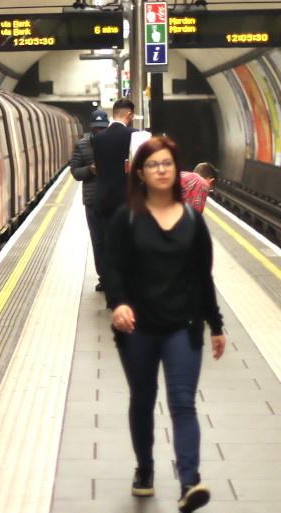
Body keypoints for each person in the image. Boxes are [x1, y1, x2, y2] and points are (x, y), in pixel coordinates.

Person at [103, 135, 226, 513]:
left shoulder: (192, 220)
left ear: (177, 171)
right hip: (137, 328)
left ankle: (189, 482)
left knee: (183, 403)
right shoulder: (127, 218)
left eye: (167, 164)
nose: (161, 170)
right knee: (143, 400)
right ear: (140, 173)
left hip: (183, 327)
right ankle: (145, 469)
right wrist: (118, 304)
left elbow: (203, 276)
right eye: (153, 164)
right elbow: (114, 269)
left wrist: (216, 325)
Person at [91, 98, 137, 292]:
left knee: (107, 241)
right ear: (129, 115)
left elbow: (100, 168)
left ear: (113, 114)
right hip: (128, 200)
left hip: (103, 199)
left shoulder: (98, 139)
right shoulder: (134, 135)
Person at [70, 108, 110, 291]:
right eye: (96, 129)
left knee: (113, 239)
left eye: (102, 128)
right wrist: (89, 170)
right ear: (91, 128)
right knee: (98, 240)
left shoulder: (115, 144)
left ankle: (115, 276)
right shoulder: (82, 145)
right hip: (92, 200)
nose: (99, 132)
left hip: (113, 199)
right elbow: (75, 172)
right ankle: (104, 277)